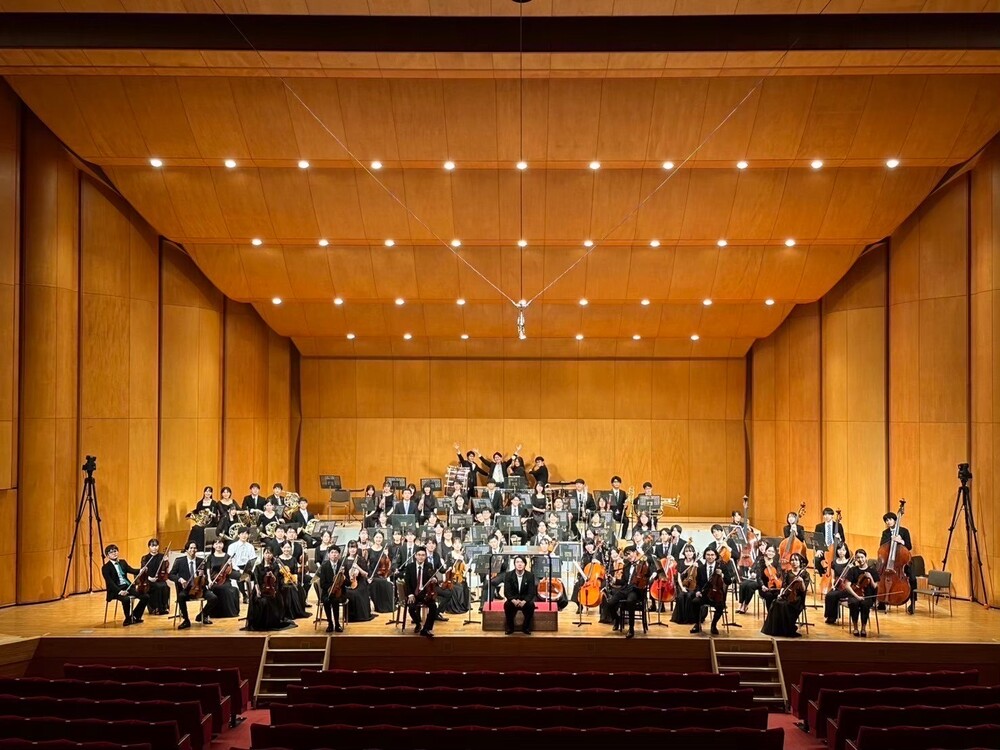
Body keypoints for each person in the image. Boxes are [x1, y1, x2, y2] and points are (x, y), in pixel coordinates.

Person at [168, 542, 218, 629]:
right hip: (187, 589)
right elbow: (171, 575)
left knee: (213, 598)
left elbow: (206, 577)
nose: (193, 550)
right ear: (186, 550)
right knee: (181, 597)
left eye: (194, 548)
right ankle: (186, 620)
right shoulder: (179, 561)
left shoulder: (201, 561)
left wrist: (203, 576)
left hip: (200, 588)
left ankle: (202, 615)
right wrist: (180, 579)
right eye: (191, 548)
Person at [761, 553, 810, 638]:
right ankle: (776, 630)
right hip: (787, 595)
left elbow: (803, 590)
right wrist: (781, 593)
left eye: (796, 560)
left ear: (800, 562)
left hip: (798, 598)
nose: (794, 562)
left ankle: (787, 629)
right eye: (792, 560)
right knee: (776, 603)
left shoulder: (805, 574)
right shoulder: (788, 573)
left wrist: (801, 581)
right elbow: (784, 586)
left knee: (785, 605)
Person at [245, 547, 293, 631]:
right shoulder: (258, 567)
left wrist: (272, 575)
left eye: (270, 553)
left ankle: (271, 622)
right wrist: (258, 591)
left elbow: (276, 580)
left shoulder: (275, 566)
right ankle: (261, 623)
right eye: (266, 553)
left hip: (272, 588)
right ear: (263, 554)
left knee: (273, 599)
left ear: (272, 555)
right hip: (260, 589)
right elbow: (256, 581)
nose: (268, 555)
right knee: (263, 601)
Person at [878, 511, 916, 614]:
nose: (888, 522)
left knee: (912, 578)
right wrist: (890, 540)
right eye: (886, 520)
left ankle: (912, 603)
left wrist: (901, 541)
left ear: (895, 520)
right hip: (888, 563)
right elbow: (881, 546)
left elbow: (909, 546)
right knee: (878, 577)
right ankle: (881, 602)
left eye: (890, 519)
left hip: (901, 563)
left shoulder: (904, 531)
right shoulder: (885, 533)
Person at [101, 544, 149, 627]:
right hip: (115, 590)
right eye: (111, 552)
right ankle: (127, 619)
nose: (114, 553)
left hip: (127, 586)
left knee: (145, 596)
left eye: (115, 551)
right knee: (126, 599)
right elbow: (110, 582)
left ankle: (135, 616)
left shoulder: (122, 562)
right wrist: (120, 591)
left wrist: (141, 570)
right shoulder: (105, 567)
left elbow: (132, 570)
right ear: (107, 556)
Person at [606, 546, 646, 638]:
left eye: (629, 553)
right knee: (610, 603)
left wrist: (643, 557)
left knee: (630, 601)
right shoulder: (627, 565)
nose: (628, 556)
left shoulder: (642, 564)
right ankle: (617, 619)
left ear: (635, 552)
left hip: (635, 590)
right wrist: (614, 580)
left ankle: (631, 628)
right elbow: (624, 581)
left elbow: (647, 573)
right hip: (625, 589)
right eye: (626, 555)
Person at [693, 548, 732, 635]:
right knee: (695, 602)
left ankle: (714, 625)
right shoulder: (700, 568)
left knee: (720, 606)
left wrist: (722, 575)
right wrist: (698, 591)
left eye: (712, 555)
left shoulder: (722, 567)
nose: (710, 557)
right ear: (705, 556)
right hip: (704, 594)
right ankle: (697, 624)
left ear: (716, 556)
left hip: (717, 595)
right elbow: (698, 583)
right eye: (708, 555)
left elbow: (729, 581)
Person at [404, 546, 438, 637]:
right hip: (413, 594)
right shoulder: (409, 567)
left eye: (423, 555)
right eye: (419, 555)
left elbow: (434, 577)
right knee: (411, 608)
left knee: (433, 607)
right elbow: (407, 583)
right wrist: (410, 594)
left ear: (425, 556)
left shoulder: (429, 566)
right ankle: (418, 623)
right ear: (415, 556)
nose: (421, 557)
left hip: (425, 594)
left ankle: (426, 629)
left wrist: (434, 580)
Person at [845, 549, 879, 637]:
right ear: (856, 559)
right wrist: (857, 596)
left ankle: (863, 628)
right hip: (854, 595)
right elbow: (847, 586)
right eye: (858, 558)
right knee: (854, 603)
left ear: (866, 557)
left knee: (865, 604)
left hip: (867, 596)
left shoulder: (872, 571)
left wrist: (870, 577)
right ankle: (855, 627)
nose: (860, 559)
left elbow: (875, 586)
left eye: (862, 557)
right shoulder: (852, 570)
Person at [500, 554, 536, 634]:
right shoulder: (508, 575)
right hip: (513, 599)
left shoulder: (530, 575)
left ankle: (526, 627)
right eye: (517, 562)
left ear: (525, 564)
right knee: (507, 605)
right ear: (514, 564)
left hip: (524, 600)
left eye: (522, 562)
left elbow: (531, 592)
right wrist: (513, 600)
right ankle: (510, 628)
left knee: (531, 605)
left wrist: (524, 601)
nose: (519, 564)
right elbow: (507, 592)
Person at [206, 537, 241, 618]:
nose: (218, 545)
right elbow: (208, 570)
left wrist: (230, 564)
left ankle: (230, 613)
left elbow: (229, 571)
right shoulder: (210, 557)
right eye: (216, 543)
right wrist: (209, 580)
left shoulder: (227, 556)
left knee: (231, 589)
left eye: (220, 543)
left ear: (223, 545)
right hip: (214, 580)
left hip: (225, 580)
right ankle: (217, 613)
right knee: (221, 588)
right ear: (213, 546)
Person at [343, 540, 376, 622]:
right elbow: (344, 574)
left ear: (357, 549)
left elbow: (365, 574)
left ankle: (361, 616)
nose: (352, 549)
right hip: (348, 582)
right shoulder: (344, 560)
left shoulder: (361, 559)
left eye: (354, 547)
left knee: (357, 593)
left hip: (360, 582)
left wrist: (357, 567)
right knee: (349, 592)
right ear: (348, 549)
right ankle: (350, 617)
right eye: (351, 547)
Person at [736, 540, 771, 614]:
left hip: (763, 580)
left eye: (763, 545)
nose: (761, 547)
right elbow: (753, 567)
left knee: (750, 586)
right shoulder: (759, 557)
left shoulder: (769, 557)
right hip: (756, 578)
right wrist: (752, 572)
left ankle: (745, 605)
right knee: (743, 584)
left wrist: (757, 575)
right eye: (760, 545)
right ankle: (741, 604)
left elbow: (766, 571)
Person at [671, 544, 702, 625]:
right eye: (687, 551)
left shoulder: (698, 563)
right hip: (682, 585)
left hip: (694, 586)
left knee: (689, 596)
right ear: (684, 553)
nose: (689, 553)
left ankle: (689, 619)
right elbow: (678, 577)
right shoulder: (681, 562)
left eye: (690, 551)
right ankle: (681, 619)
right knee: (681, 596)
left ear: (694, 553)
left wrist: (698, 568)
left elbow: (701, 577)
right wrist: (682, 587)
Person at [318, 545, 347, 633]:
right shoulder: (324, 566)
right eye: (332, 552)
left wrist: (343, 576)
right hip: (327, 592)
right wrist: (331, 587)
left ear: (339, 555)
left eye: (336, 553)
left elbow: (348, 582)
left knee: (335, 600)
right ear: (328, 555)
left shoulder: (343, 565)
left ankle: (337, 624)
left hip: (340, 592)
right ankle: (330, 623)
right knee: (326, 601)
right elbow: (322, 584)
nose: (334, 554)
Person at [822, 543, 853, 624]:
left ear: (846, 551)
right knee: (829, 595)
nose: (841, 552)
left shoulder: (849, 563)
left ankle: (832, 617)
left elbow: (852, 578)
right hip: (837, 585)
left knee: (832, 595)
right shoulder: (834, 563)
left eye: (843, 550)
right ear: (837, 550)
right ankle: (831, 616)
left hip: (846, 587)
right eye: (839, 549)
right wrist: (833, 585)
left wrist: (852, 568)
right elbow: (833, 577)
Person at [139, 538, 170, 615]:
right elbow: (143, 571)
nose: (155, 548)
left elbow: (165, 568)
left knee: (165, 586)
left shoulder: (162, 556)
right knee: (157, 586)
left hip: (159, 579)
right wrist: (149, 578)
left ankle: (164, 607)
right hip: (148, 580)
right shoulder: (145, 558)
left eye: (156, 546)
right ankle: (155, 608)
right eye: (152, 546)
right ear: (149, 547)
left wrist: (166, 561)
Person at [368, 531, 396, 613]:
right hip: (372, 575)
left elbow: (389, 565)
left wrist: (386, 555)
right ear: (373, 538)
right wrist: (369, 576)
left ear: (383, 539)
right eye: (377, 537)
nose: (378, 539)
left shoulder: (385, 550)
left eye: (380, 537)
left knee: (386, 583)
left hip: (382, 575)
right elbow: (366, 565)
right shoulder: (369, 551)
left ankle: (386, 606)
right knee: (379, 582)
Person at [227, 527, 257, 604]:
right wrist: (238, 570)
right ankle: (244, 595)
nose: (244, 535)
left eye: (246, 534)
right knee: (240, 576)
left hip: (247, 567)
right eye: (242, 534)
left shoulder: (250, 546)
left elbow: (252, 559)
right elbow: (231, 561)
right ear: (238, 535)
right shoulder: (232, 546)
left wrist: (251, 569)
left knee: (257, 574)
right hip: (235, 568)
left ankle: (254, 594)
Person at [814, 508, 847, 575]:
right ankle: (823, 574)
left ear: (832, 516)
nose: (827, 516)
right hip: (823, 549)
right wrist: (818, 549)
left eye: (829, 514)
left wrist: (839, 538)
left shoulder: (838, 526)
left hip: (835, 549)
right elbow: (817, 540)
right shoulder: (819, 526)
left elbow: (843, 540)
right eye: (825, 515)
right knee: (816, 559)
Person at [186, 486, 219, 551]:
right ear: (204, 492)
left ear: (211, 493)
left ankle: (200, 548)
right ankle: (190, 547)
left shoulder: (214, 503)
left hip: (210, 522)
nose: (208, 493)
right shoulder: (200, 503)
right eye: (206, 491)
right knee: (195, 528)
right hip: (202, 522)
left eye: (209, 492)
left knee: (201, 529)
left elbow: (216, 515)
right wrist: (192, 517)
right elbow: (197, 514)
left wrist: (210, 513)